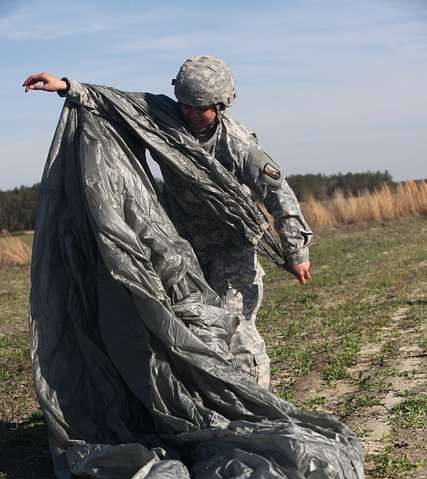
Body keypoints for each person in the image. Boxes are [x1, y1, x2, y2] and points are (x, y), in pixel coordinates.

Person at [23, 56, 313, 390]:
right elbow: (117, 101)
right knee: (191, 331)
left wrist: (296, 251)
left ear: (220, 106)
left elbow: (280, 195)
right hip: (183, 251)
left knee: (237, 333)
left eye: (198, 108)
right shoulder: (165, 117)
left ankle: (259, 407)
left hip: (231, 253)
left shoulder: (238, 146)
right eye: (184, 104)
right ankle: (215, 404)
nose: (188, 113)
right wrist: (66, 86)